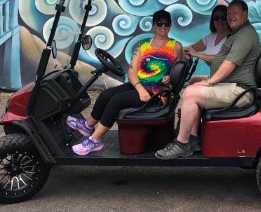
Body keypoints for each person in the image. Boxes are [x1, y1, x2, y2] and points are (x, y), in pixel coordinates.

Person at [155, 0, 261, 159]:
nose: (230, 16)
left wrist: (211, 81)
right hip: (232, 85)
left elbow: (229, 64)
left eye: (235, 13)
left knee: (190, 93)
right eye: (229, 13)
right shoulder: (238, 33)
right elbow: (203, 52)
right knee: (193, 85)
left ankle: (182, 143)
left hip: (240, 90)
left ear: (245, 14)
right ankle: (193, 138)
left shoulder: (245, 35)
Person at [67, 10, 183, 155]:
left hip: (156, 94)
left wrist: (170, 77)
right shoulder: (143, 45)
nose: (163, 26)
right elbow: (132, 71)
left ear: (170, 26)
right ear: (154, 25)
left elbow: (179, 71)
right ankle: (88, 126)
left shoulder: (175, 46)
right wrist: (140, 88)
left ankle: (95, 140)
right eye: (160, 23)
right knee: (106, 94)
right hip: (140, 87)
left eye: (167, 23)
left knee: (116, 100)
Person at [184, 4, 231, 83]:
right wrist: (182, 52)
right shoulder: (211, 37)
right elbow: (191, 48)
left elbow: (220, 59)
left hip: (227, 81)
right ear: (213, 20)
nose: (220, 21)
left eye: (223, 18)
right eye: (216, 18)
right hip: (214, 78)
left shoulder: (232, 38)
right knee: (192, 80)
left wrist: (197, 54)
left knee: (192, 90)